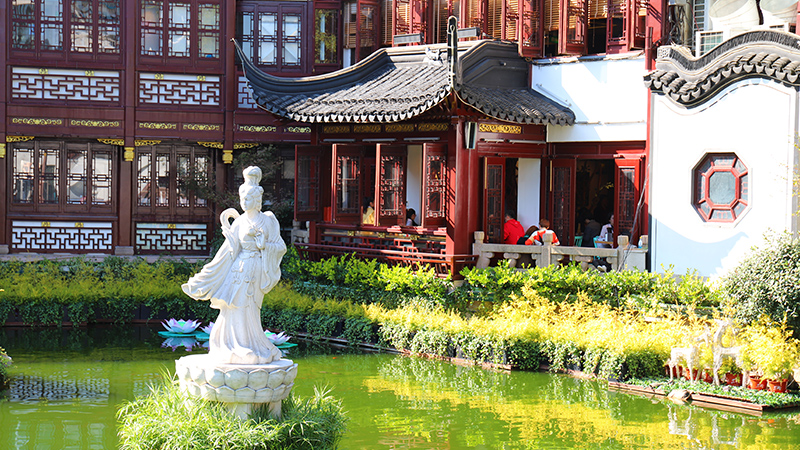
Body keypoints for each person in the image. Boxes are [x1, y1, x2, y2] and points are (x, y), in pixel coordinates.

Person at [181, 166, 286, 365]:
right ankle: (229, 345)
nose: (244, 203)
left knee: (249, 308)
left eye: (248, 199)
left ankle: (251, 345)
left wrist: (264, 246)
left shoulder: (268, 220)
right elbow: (227, 251)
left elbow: (280, 247)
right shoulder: (239, 223)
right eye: (242, 199)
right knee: (231, 307)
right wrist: (205, 276)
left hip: (256, 269)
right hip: (238, 270)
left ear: (257, 200)